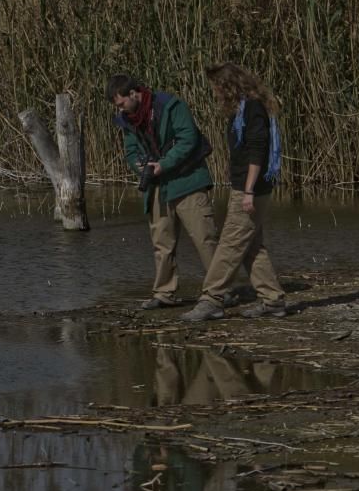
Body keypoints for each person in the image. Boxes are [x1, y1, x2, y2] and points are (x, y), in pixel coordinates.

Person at [181, 63, 286, 322]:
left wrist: (248, 190)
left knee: (229, 244)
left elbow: (257, 151)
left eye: (217, 87)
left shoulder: (252, 109)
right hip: (245, 187)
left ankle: (212, 299)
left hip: (250, 189)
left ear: (228, 86)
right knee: (251, 246)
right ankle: (273, 300)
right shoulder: (242, 110)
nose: (215, 92)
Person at [106, 75, 218, 310]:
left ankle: (219, 291)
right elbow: (131, 152)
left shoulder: (171, 106)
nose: (120, 110)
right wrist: (141, 167)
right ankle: (164, 293)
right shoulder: (128, 121)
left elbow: (188, 139)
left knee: (204, 238)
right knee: (162, 242)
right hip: (158, 186)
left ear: (134, 93)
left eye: (121, 103)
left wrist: (164, 164)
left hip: (188, 181)